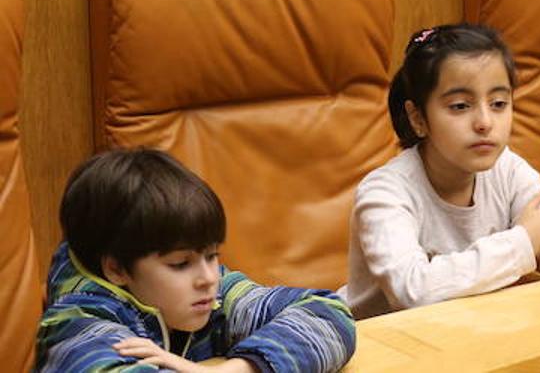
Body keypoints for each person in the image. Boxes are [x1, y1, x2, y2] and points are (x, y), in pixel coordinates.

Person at [345, 23, 540, 319]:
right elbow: (412, 291)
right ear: (418, 118)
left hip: (473, 333)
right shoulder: (385, 192)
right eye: (461, 106)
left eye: (499, 103)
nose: (485, 122)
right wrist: (524, 242)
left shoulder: (507, 169)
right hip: (385, 346)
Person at [34, 147, 355, 371]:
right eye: (179, 264)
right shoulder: (77, 325)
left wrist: (239, 368)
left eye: (212, 255)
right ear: (116, 268)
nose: (208, 278)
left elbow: (330, 314)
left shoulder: (212, 293)